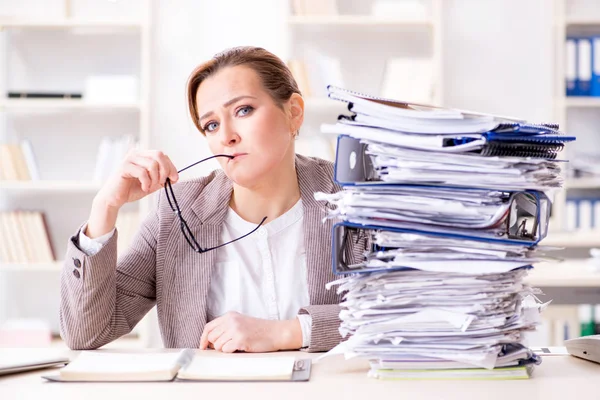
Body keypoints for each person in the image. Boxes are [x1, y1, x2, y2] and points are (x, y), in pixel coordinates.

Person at [60, 46, 366, 353]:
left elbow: (406, 315)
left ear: (294, 112)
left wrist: (287, 333)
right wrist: (105, 208)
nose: (226, 136)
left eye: (243, 110)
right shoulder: (177, 214)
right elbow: (85, 333)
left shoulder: (357, 201)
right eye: (211, 125)